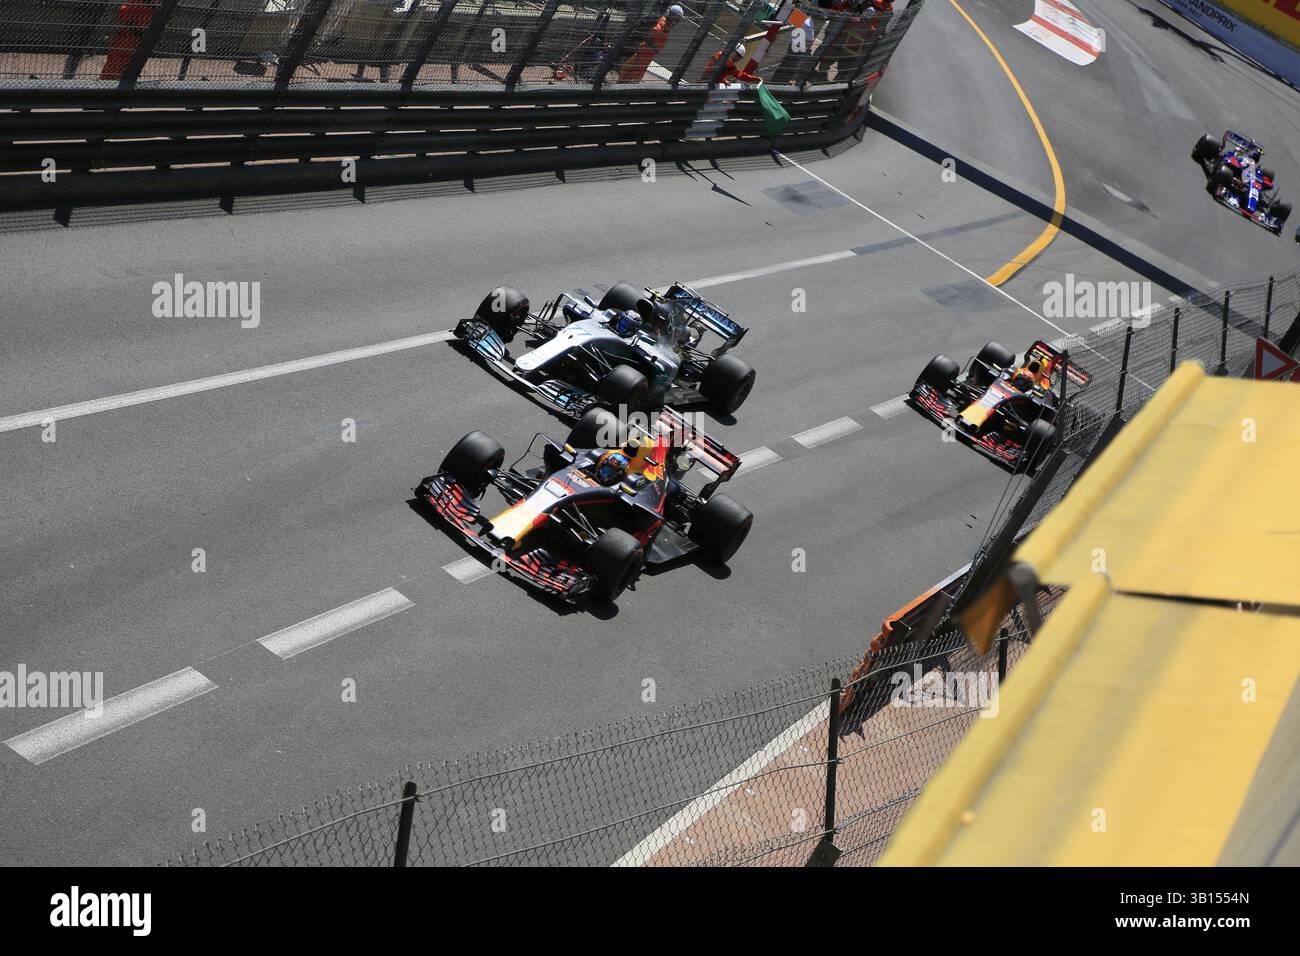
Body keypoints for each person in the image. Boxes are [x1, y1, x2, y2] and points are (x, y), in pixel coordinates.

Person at [618, 5, 684, 83]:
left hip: (649, 54)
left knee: (637, 71)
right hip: (645, 51)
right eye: (675, 17)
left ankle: (627, 84)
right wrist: (655, 47)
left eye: (677, 19)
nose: (676, 21)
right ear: (671, 15)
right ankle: (623, 84)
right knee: (633, 70)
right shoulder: (663, 23)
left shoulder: (667, 26)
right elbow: (653, 34)